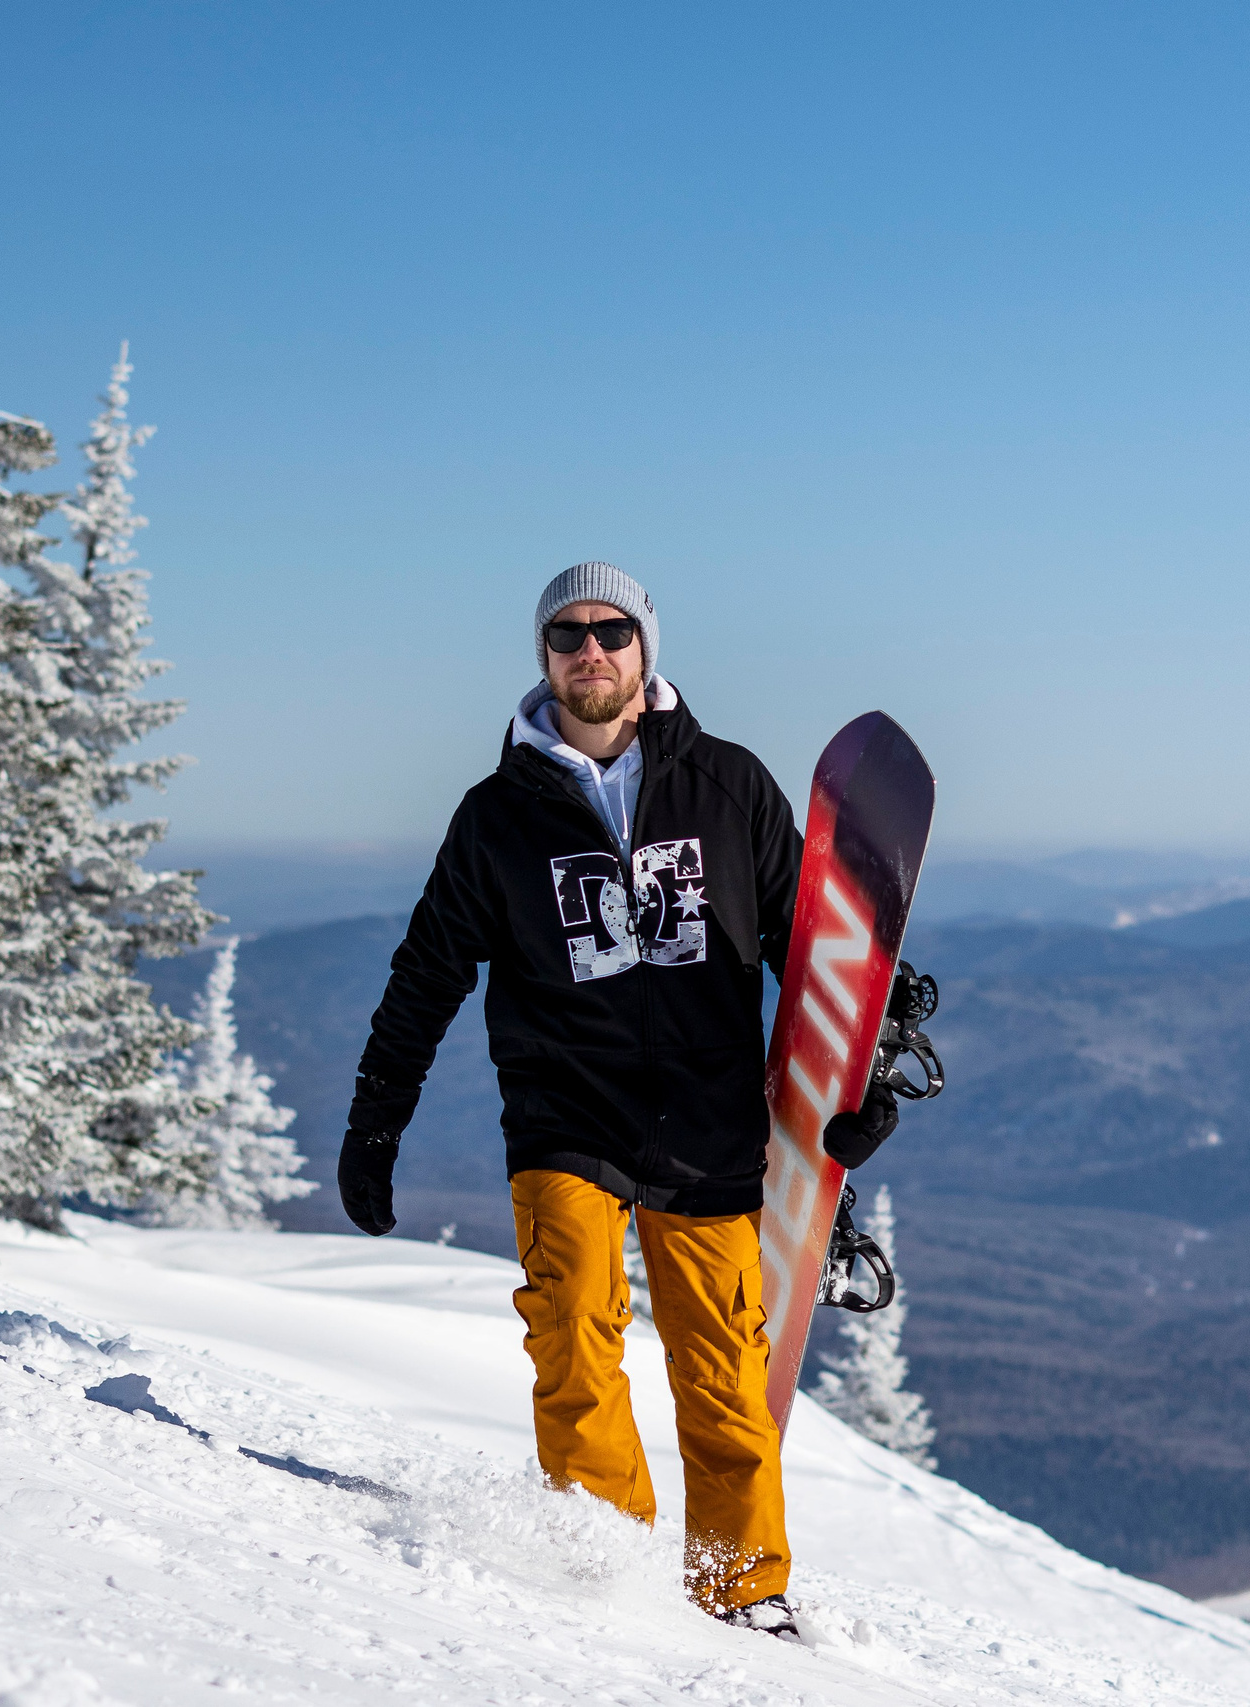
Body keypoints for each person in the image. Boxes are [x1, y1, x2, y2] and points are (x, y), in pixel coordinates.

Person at [337, 562, 808, 1638]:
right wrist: (376, 1124)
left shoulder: (729, 786)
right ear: (544, 657)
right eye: (567, 634)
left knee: (724, 1372)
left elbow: (807, 947)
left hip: (708, 1120)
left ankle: (742, 1589)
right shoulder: (497, 816)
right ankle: (606, 1565)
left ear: (646, 651)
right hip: (565, 1116)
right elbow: (426, 977)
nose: (588, 650)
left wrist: (854, 1082)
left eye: (610, 631)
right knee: (571, 1330)